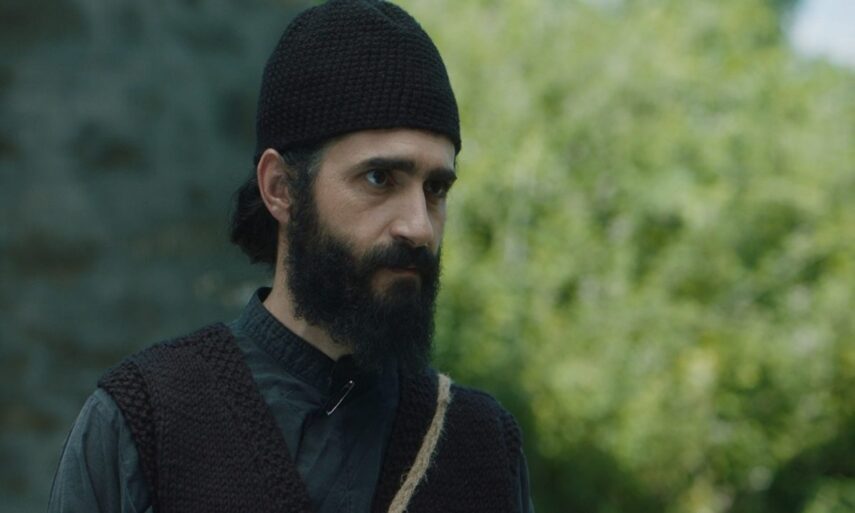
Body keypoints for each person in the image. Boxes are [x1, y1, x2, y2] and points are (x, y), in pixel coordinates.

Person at [48, 1, 534, 512]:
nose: (419, 226)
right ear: (280, 188)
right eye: (379, 178)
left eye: (436, 188)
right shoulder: (143, 424)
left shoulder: (483, 448)